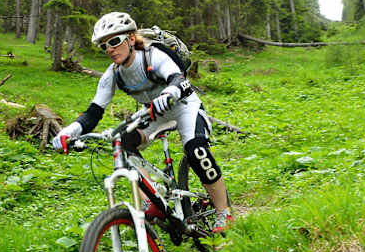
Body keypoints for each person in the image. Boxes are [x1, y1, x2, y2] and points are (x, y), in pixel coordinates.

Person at [52, 12, 233, 233]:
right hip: (153, 115)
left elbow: (178, 79)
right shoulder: (113, 74)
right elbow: (93, 112)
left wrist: (169, 94)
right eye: (104, 46)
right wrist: (68, 132)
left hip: (184, 107)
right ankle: (152, 201)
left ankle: (223, 213)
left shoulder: (152, 55)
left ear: (130, 38)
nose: (109, 49)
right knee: (123, 143)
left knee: (196, 151)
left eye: (114, 41)